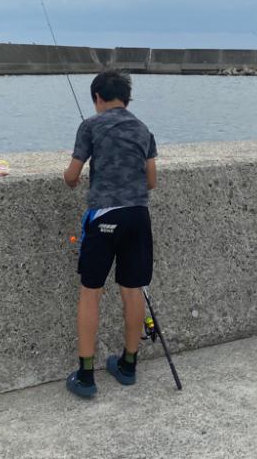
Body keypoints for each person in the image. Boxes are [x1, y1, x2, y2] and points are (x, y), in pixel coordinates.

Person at [63, 69, 158, 398]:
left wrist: (72, 178)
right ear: (127, 99)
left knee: (91, 292)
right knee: (132, 291)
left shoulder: (90, 125)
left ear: (98, 98)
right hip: (138, 217)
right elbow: (151, 181)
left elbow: (72, 175)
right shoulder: (144, 130)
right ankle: (129, 365)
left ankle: (86, 376)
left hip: (104, 218)